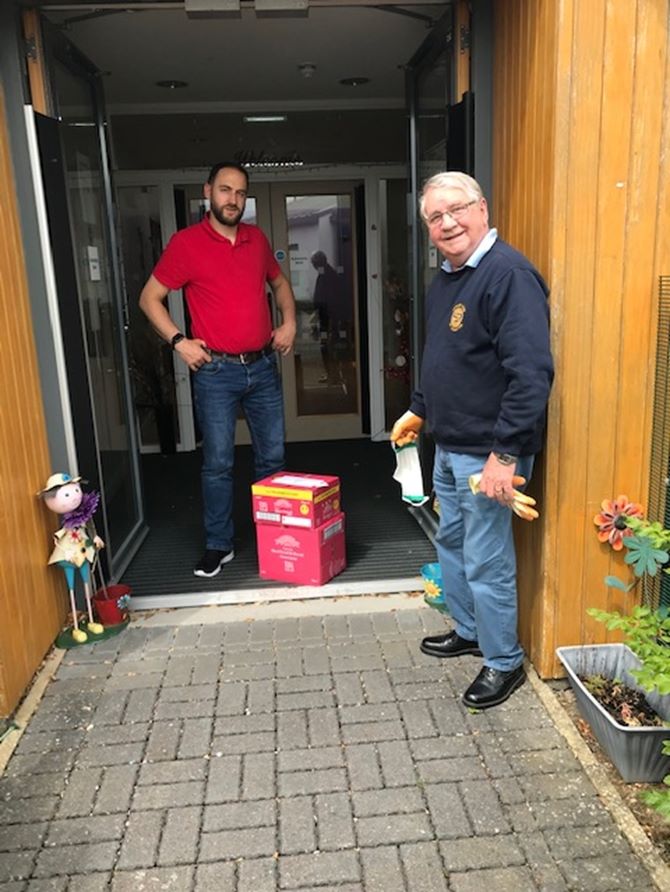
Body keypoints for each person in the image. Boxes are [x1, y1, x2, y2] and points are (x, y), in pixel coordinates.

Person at [391, 171, 553, 710]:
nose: (447, 223)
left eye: (456, 209)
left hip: (489, 455)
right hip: (449, 445)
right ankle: (469, 630)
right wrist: (418, 408)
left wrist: (505, 456)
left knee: (486, 559)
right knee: (453, 545)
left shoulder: (508, 275)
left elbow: (530, 374)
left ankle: (503, 661)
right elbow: (442, 357)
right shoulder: (448, 278)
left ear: (482, 208)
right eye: (435, 217)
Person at [139, 161, 297, 578]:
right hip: (216, 372)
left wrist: (290, 322)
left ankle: (277, 541)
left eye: (241, 193)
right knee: (219, 464)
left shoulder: (256, 239)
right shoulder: (186, 244)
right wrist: (179, 342)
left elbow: (279, 284)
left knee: (273, 460)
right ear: (208, 191)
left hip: (262, 365)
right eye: (225, 190)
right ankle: (218, 545)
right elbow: (149, 298)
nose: (233, 200)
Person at [310, 250, 350, 386]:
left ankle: (334, 375)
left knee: (330, 347)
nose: (314, 266)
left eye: (314, 263)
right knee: (327, 347)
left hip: (331, 318)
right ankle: (332, 374)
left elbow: (327, 299)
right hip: (326, 317)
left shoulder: (328, 275)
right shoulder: (325, 274)